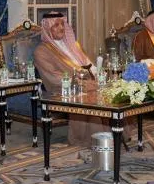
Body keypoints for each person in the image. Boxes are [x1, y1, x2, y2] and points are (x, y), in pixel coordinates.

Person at [33, 11, 105, 145]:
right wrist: (80, 83)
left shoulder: (73, 45)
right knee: (90, 94)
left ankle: (112, 134)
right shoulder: (41, 51)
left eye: (62, 24)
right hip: (62, 89)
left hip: (86, 82)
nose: (61, 28)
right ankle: (89, 139)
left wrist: (99, 75)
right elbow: (53, 78)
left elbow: (88, 64)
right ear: (47, 28)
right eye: (56, 25)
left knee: (108, 89)